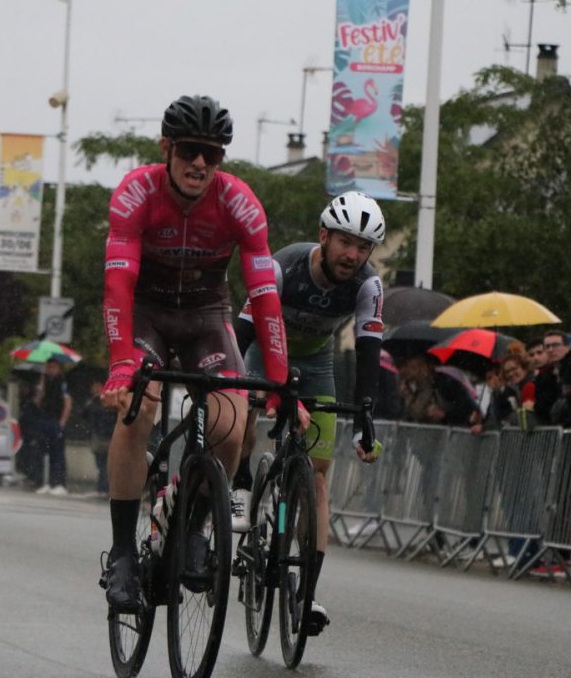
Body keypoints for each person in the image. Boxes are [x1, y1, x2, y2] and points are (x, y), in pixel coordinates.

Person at [98, 94, 304, 612]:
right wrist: (123, 364)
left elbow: (265, 298)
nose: (199, 164)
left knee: (232, 421)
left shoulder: (239, 202)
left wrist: (279, 383)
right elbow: (118, 285)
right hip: (147, 311)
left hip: (207, 315)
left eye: (212, 154)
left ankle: (194, 527)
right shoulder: (136, 192)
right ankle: (123, 553)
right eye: (190, 150)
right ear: (166, 147)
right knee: (138, 406)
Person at [231, 191, 385, 633]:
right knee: (244, 413)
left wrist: (364, 416)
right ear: (324, 236)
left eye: (364, 247)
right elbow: (243, 333)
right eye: (345, 242)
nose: (353, 255)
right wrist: (232, 391)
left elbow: (370, 349)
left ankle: (308, 592)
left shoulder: (368, 285)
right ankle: (241, 480)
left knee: (317, 475)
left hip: (317, 363)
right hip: (266, 348)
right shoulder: (284, 266)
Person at [397, 352, 478, 426]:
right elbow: (412, 415)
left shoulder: (446, 383)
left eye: (420, 366)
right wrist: (408, 397)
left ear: (429, 365)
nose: (417, 372)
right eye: (413, 368)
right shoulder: (414, 386)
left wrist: (444, 414)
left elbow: (469, 411)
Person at [32, 358, 72, 495]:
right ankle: (45, 482)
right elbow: (37, 402)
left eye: (53, 367)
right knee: (43, 453)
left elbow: (67, 403)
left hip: (56, 421)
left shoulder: (63, 383)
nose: (50, 370)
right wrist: (40, 388)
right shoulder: (44, 382)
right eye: (48, 367)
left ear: (58, 368)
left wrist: (62, 422)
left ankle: (59, 483)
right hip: (44, 420)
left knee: (58, 454)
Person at [81, 378, 116, 496]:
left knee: (105, 464)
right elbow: (84, 415)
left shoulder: (109, 400)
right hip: (97, 435)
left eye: (97, 386)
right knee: (100, 463)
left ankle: (104, 488)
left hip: (108, 435)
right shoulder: (93, 401)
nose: (94, 389)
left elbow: (110, 417)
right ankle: (102, 487)